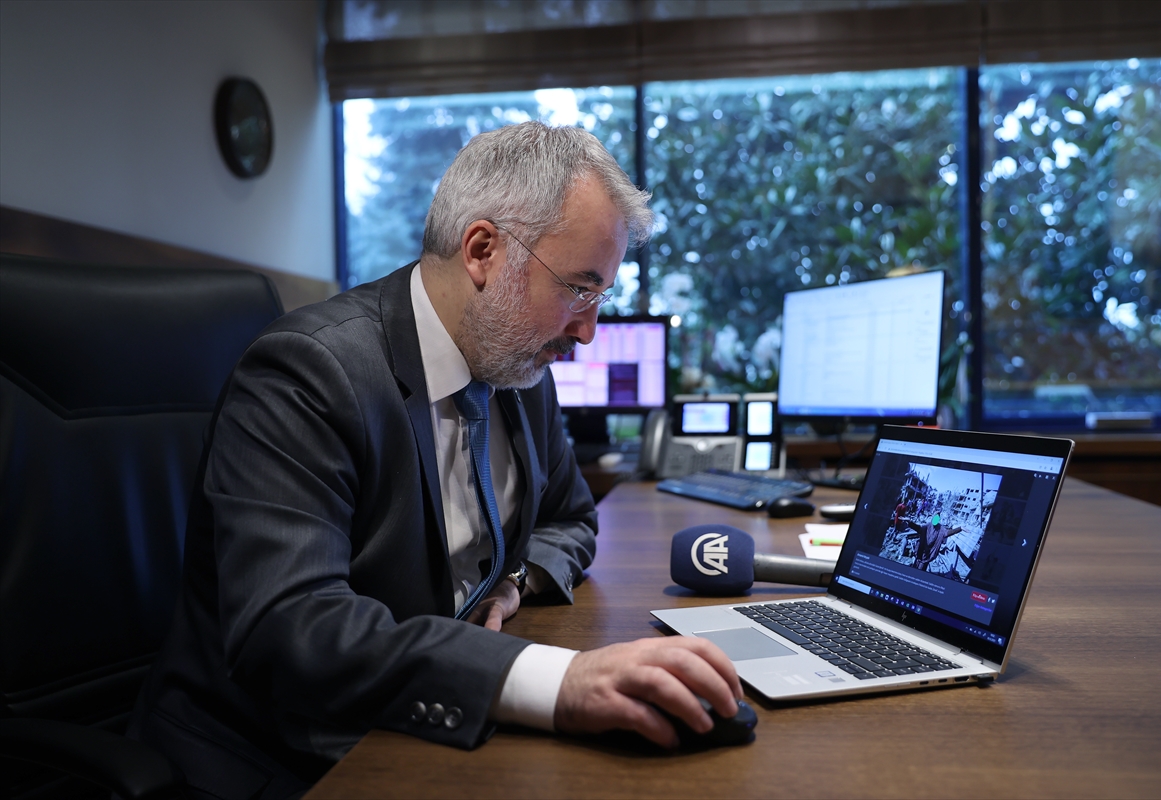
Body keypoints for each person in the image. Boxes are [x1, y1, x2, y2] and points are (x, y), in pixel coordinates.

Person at [128, 121, 741, 799]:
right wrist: (554, 682)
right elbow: (292, 629)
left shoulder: (519, 368)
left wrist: (517, 578)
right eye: (579, 289)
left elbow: (571, 519)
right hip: (287, 751)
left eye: (600, 299)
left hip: (429, 712)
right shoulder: (308, 373)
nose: (589, 333)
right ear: (482, 251)